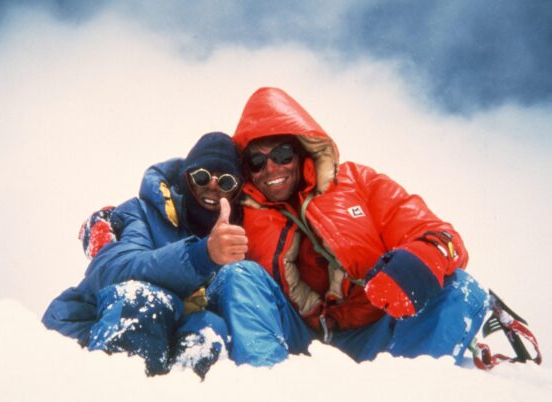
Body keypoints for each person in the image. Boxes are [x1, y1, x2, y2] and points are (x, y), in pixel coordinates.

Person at [231, 87, 541, 367]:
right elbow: (193, 217)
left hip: (375, 332)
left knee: (462, 288)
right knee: (239, 276)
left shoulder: (359, 183)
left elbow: (442, 237)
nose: (271, 168)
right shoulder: (236, 209)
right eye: (257, 162)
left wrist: (417, 264)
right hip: (298, 335)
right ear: (247, 169)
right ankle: (270, 384)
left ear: (301, 151)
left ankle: (409, 389)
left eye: (282, 155)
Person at [42, 132, 313, 377]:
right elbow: (111, 270)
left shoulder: (241, 234)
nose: (213, 187)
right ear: (185, 177)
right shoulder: (142, 213)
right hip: (102, 325)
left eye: (227, 182)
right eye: (202, 177)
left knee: (211, 329)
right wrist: (201, 255)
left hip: (178, 335)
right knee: (145, 301)